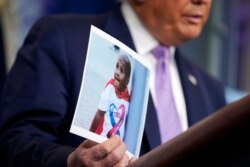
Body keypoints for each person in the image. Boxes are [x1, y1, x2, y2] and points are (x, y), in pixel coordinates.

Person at [0, 0, 226, 166]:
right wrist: (69, 162)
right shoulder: (63, 39)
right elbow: (13, 144)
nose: (202, 1)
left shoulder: (211, 91)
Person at [90, 54, 131, 139]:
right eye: (117, 67)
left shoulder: (128, 98)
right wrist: (89, 134)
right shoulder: (110, 88)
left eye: (121, 71)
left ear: (127, 81)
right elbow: (99, 114)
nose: (117, 72)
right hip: (102, 138)